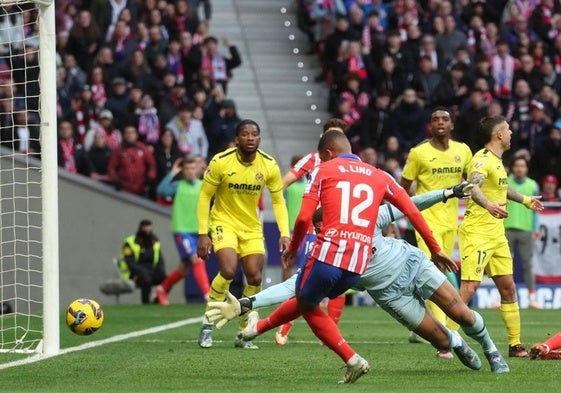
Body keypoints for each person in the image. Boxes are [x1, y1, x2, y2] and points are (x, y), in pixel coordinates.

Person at [205, 184, 511, 374]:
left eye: (328, 221)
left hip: (413, 264)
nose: (327, 227)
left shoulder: (364, 218)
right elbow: (293, 288)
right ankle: (457, 343)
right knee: (441, 338)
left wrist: (449, 193)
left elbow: (408, 205)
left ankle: (489, 347)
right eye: (321, 226)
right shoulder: (325, 255)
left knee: (460, 312)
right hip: (390, 295)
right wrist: (247, 303)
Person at [235, 130, 456, 383]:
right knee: (309, 297)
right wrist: (435, 247)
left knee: (303, 297)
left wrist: (293, 247)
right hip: (358, 265)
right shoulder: (379, 175)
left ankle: (349, 358)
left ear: (327, 153)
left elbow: (305, 216)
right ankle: (258, 325)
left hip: (330, 250)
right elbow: (411, 210)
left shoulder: (322, 169)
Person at [196, 119, 290, 349]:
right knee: (228, 270)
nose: (250, 138)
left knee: (255, 277)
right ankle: (207, 324)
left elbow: (278, 201)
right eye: (245, 134)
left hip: (251, 227)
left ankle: (243, 332)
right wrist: (202, 233)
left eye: (254, 134)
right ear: (237, 139)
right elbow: (204, 196)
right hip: (223, 222)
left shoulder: (268, 165)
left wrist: (285, 233)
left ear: (259, 138)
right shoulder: (220, 161)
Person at [458, 115, 544, 358]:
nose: (511, 133)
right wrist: (488, 205)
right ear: (498, 135)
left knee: (508, 288)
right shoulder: (481, 159)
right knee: (469, 287)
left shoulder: (497, 162)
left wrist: (526, 200)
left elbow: (502, 187)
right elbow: (472, 186)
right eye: (507, 130)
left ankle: (515, 345)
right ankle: (445, 338)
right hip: (478, 232)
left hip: (497, 234)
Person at [400, 106, 473, 358]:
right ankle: (445, 338)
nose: (440, 122)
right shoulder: (418, 153)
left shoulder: (462, 151)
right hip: (426, 221)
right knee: (435, 272)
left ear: (452, 125)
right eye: (435, 119)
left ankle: (422, 323)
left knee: (429, 276)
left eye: (444, 119)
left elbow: (472, 181)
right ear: (429, 126)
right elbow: (403, 188)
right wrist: (405, 214)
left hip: (451, 221)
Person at [276, 118, 348, 346]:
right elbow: (283, 183)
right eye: (330, 134)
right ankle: (284, 326)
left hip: (340, 228)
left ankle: (331, 332)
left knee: (340, 280)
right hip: (312, 229)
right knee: (305, 279)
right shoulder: (313, 159)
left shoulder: (352, 163)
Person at [154, 156, 210, 305]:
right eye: (187, 169)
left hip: (199, 231)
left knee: (184, 268)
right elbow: (161, 190)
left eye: (193, 168)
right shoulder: (178, 186)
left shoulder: (204, 185)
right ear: (183, 171)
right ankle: (208, 295)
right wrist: (172, 173)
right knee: (196, 259)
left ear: (198, 169)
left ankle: (162, 288)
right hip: (182, 230)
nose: (191, 172)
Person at [504, 156, 540, 309]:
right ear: (513, 168)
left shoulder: (533, 185)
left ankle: (532, 299)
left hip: (526, 230)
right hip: (507, 228)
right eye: (517, 165)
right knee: (504, 266)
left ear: (526, 168)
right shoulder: (505, 182)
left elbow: (536, 210)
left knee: (528, 265)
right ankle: (503, 297)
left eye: (522, 166)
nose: (519, 168)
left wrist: (536, 228)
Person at [118, 219, 166, 304]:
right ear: (141, 228)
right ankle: (146, 302)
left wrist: (160, 270)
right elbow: (130, 262)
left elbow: (160, 259)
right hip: (133, 274)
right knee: (146, 279)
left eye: (149, 227)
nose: (148, 230)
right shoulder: (130, 242)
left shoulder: (155, 241)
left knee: (165, 278)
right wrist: (143, 271)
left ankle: (157, 301)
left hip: (150, 270)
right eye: (145, 228)